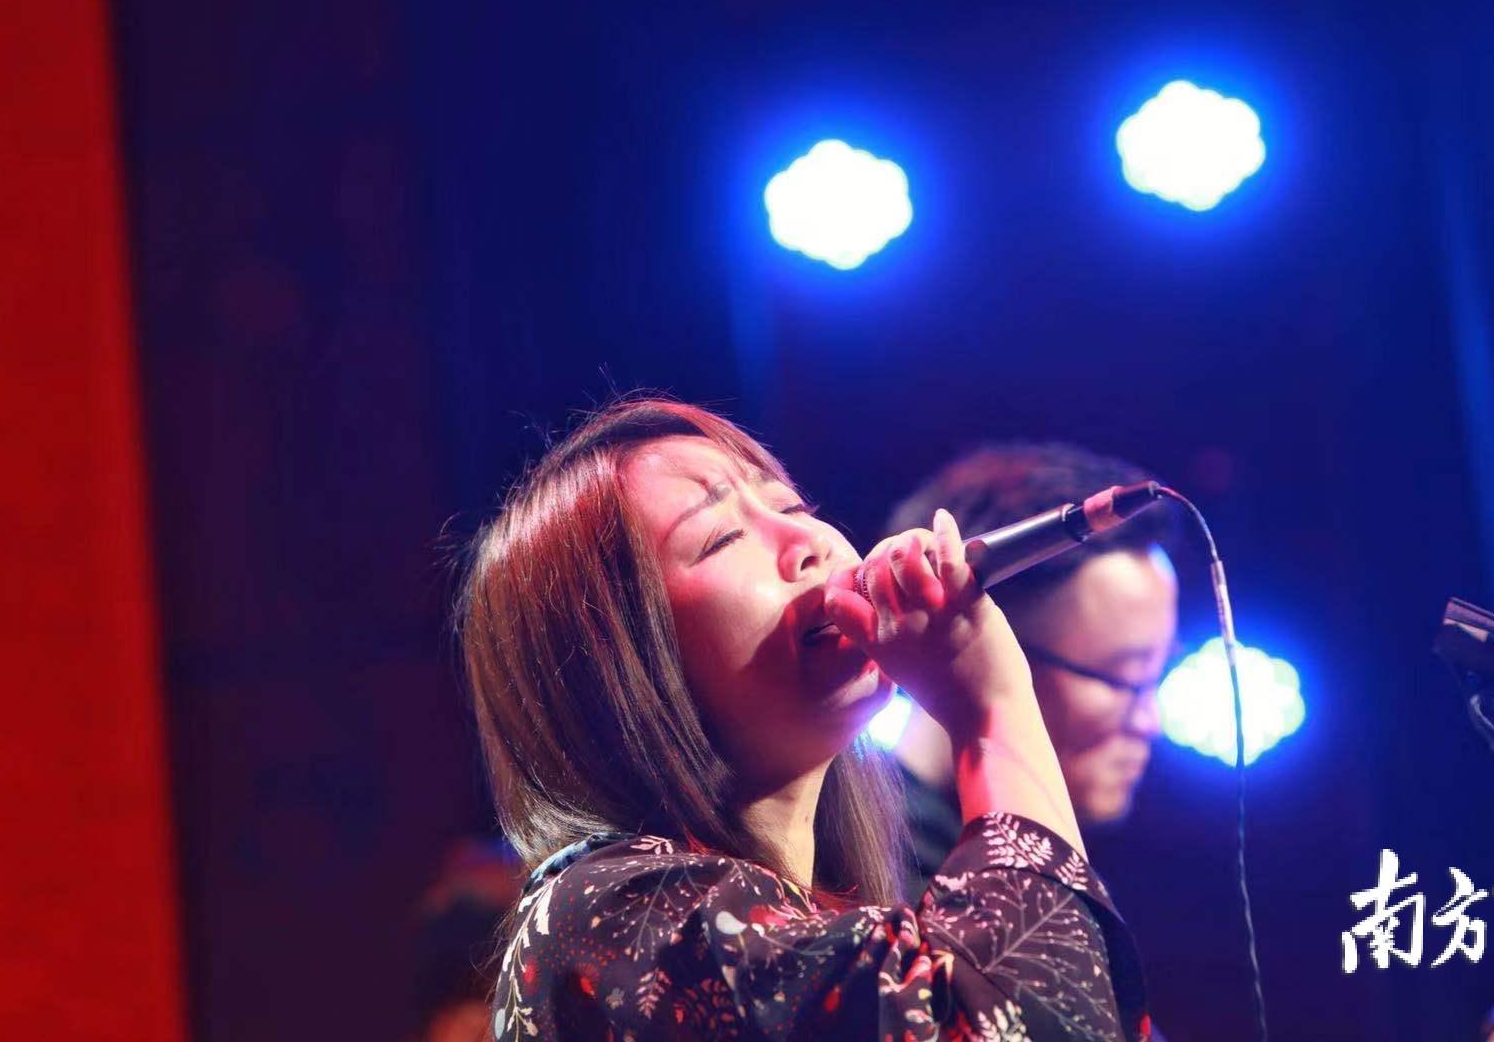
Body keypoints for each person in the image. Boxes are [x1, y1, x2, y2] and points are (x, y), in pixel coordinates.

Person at [457, 398, 1150, 1040]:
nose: (811, 542)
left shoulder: (821, 922)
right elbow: (1037, 1020)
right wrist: (993, 708)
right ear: (617, 664)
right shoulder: (611, 913)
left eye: (792, 504)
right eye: (722, 537)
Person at [883, 444, 1180, 889]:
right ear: (984, 646)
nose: (1150, 722)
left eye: (1158, 676)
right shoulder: (875, 887)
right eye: (1124, 678)